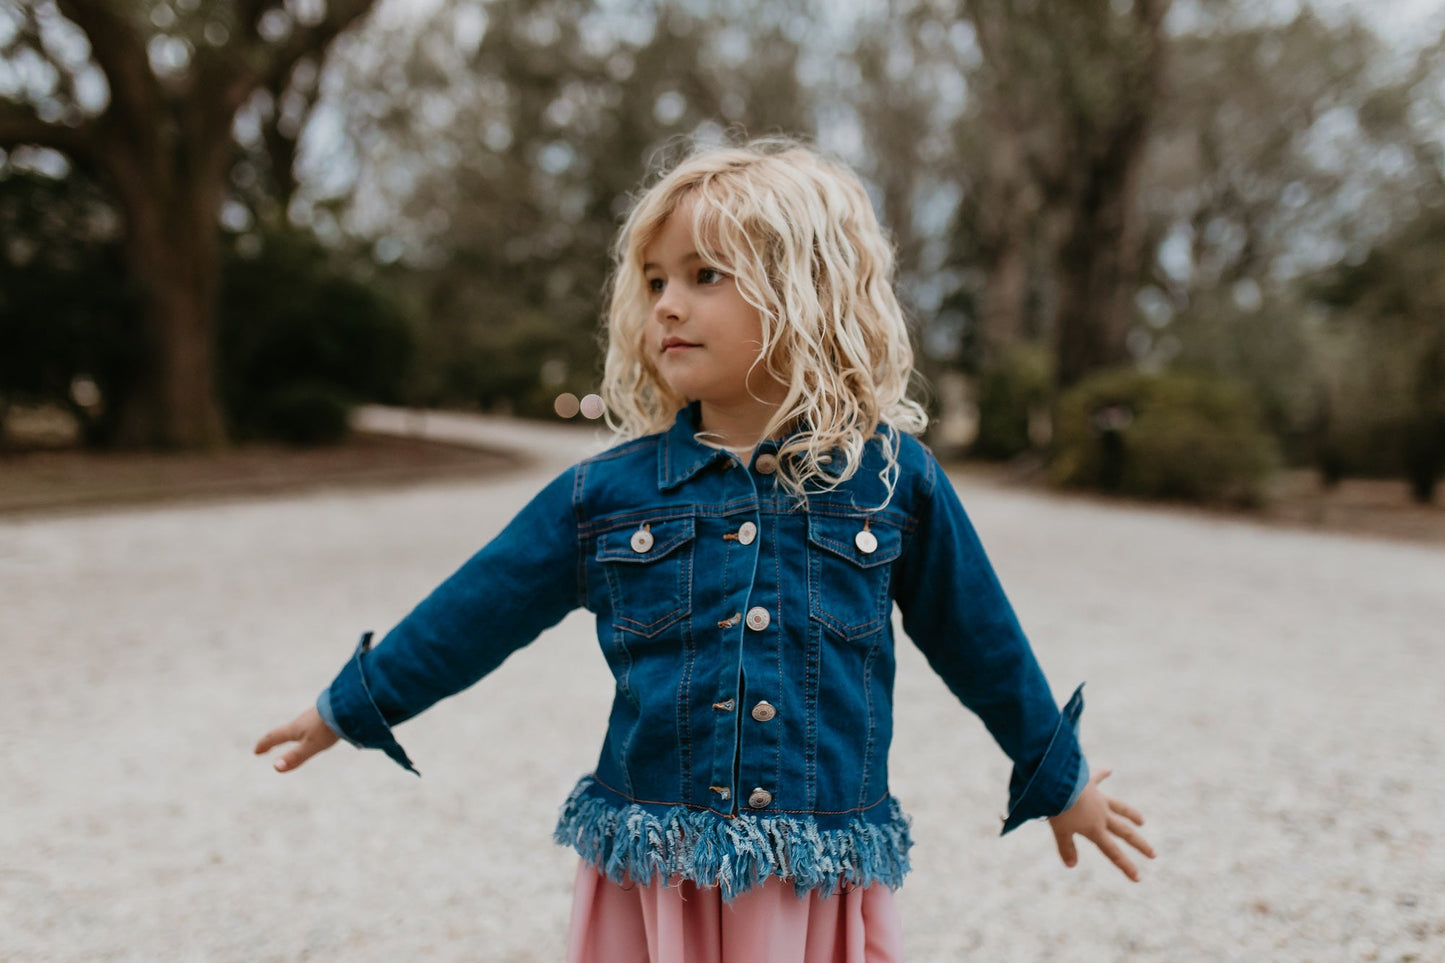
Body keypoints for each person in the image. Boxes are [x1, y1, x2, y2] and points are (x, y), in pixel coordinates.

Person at [254, 138, 1153, 962]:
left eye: (704, 274)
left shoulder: (890, 480)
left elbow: (980, 639)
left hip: (811, 867)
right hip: (656, 868)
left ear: (808, 292)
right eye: (652, 282)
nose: (667, 305)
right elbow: (473, 611)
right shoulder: (604, 495)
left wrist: (1057, 775)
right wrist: (348, 704)